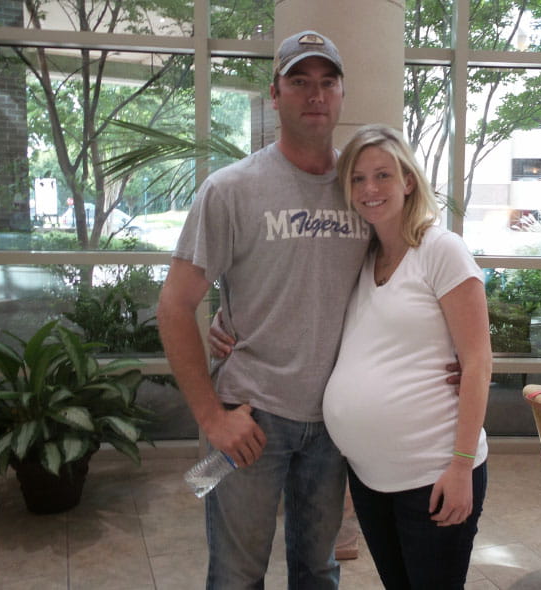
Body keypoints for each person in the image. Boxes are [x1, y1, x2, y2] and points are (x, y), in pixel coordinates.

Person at [157, 30, 372, 589]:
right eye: (299, 82)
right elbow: (176, 305)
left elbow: (410, 283)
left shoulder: (366, 190)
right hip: (253, 416)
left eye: (328, 83)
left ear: (343, 95)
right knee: (237, 576)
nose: (315, 95)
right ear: (274, 95)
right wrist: (210, 417)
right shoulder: (231, 190)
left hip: (335, 419)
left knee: (319, 572)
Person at [322, 124, 492, 589]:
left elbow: (477, 363)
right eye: (357, 179)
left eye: (382, 175)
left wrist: (460, 467)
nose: (370, 189)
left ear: (408, 180)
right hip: (371, 480)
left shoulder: (442, 250)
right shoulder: (362, 257)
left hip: (435, 474)